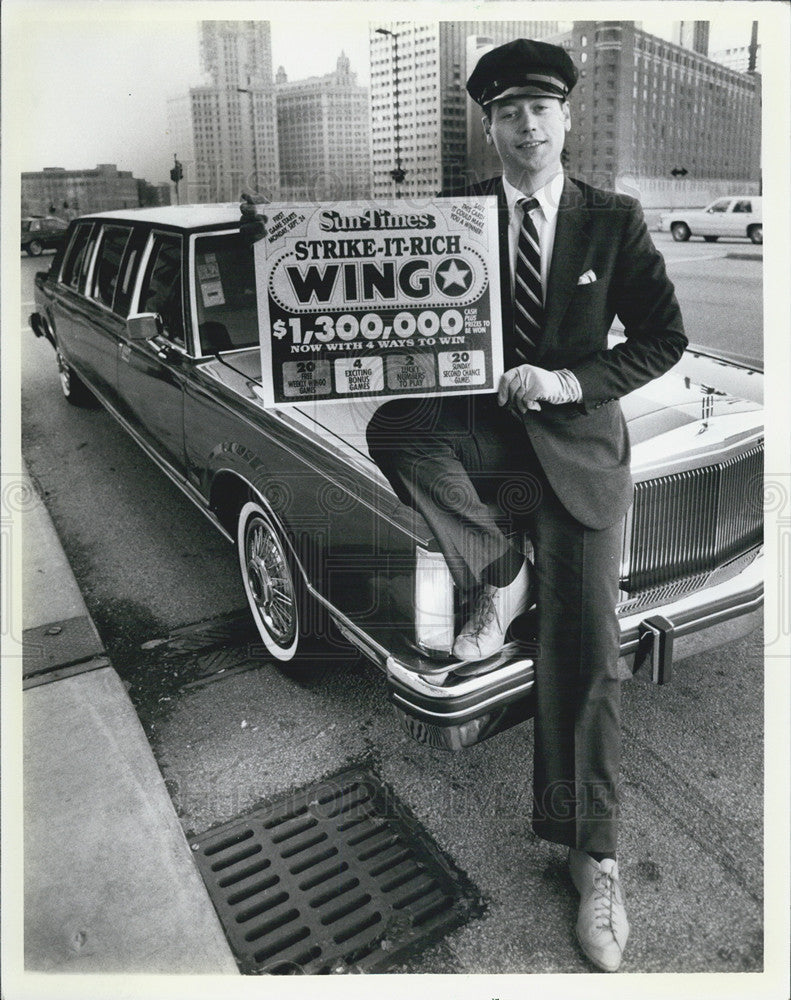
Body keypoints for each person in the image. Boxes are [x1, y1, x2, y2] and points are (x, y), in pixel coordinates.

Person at [364, 39, 687, 972]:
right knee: (397, 430)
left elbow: (661, 339)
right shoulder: (453, 216)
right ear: (490, 125)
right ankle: (495, 570)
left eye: (541, 109)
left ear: (566, 119)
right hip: (484, 443)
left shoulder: (610, 219)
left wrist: (567, 382)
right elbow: (391, 306)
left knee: (586, 657)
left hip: (577, 452)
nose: (526, 125)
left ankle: (593, 862)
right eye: (507, 112)